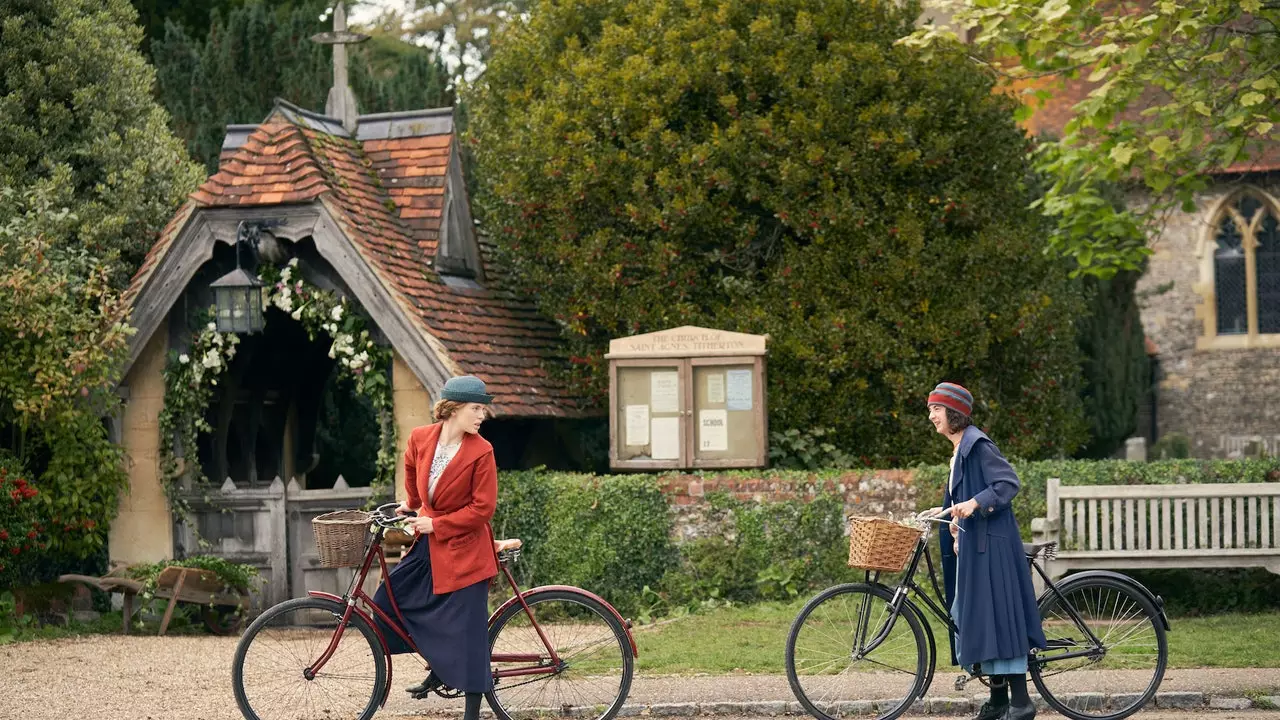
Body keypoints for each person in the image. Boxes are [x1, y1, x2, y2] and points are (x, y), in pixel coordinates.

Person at [372, 375, 500, 720]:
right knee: (387, 602)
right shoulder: (421, 438)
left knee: (469, 633)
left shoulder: (481, 451)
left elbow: (482, 509)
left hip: (468, 551)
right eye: (476, 408)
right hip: (432, 543)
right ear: (454, 409)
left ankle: (471, 712)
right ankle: (441, 664)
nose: (481, 416)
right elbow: (414, 471)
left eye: (482, 410)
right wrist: (411, 504)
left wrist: (437, 524)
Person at [923, 382, 1046, 720]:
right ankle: (997, 700)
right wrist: (944, 509)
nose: (931, 415)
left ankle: (1021, 703)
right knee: (977, 618)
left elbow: (1008, 484)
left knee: (1000, 620)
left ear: (953, 413)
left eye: (936, 409)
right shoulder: (959, 449)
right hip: (977, 549)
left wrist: (976, 503)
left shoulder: (978, 445)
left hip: (993, 546)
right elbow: (965, 493)